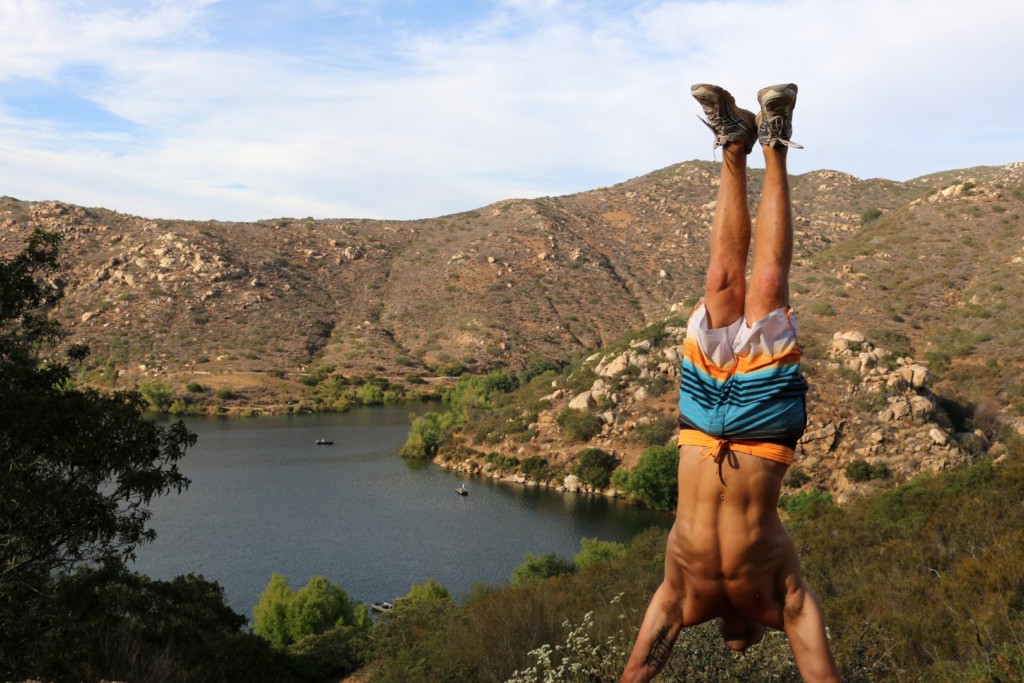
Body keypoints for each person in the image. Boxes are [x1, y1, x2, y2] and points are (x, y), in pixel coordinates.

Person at [621, 83, 839, 682]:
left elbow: (635, 674)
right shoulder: (779, 597)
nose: (735, 639)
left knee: (721, 280)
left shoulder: (681, 599)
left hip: (699, 426)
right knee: (766, 285)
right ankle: (775, 142)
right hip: (762, 430)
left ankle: (733, 145)